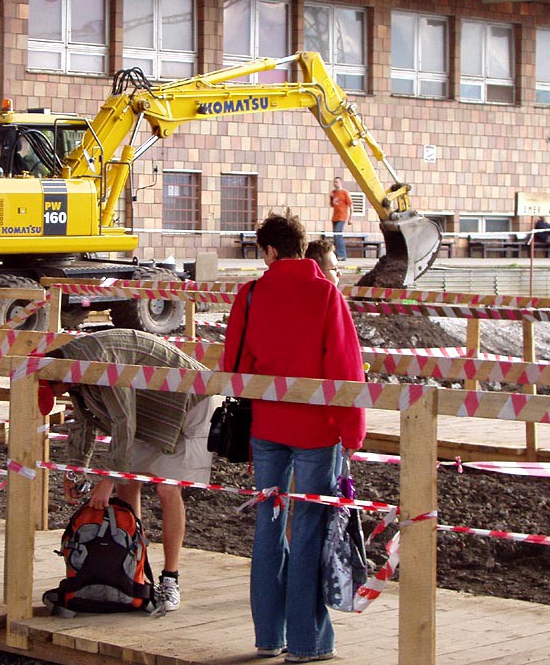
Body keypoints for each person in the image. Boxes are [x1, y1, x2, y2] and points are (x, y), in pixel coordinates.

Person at [222, 209, 365, 663]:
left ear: (269, 251)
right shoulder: (326, 294)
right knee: (307, 532)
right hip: (317, 432)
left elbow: (233, 367)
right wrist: (352, 432)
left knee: (268, 529)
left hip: (266, 427)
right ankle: (306, 643)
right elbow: (345, 368)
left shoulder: (249, 295)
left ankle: (268, 635)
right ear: (302, 249)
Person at [39, 328, 215, 613]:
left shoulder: (97, 365)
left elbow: (123, 421)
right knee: (127, 485)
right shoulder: (69, 372)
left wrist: (107, 480)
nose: (59, 396)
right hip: (151, 411)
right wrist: (74, 471)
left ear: (57, 380)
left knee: (167, 488)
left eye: (54, 392)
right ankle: (133, 570)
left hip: (192, 401)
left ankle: (170, 579)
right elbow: (83, 422)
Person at [328, 177, 352, 261]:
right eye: (334, 182)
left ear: (341, 183)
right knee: (336, 236)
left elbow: (350, 205)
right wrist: (331, 198)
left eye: (337, 182)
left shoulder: (345, 192)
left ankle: (342, 254)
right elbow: (332, 205)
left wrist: (350, 218)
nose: (335, 184)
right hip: (335, 217)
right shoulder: (334, 193)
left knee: (338, 235)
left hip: (342, 216)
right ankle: (337, 254)